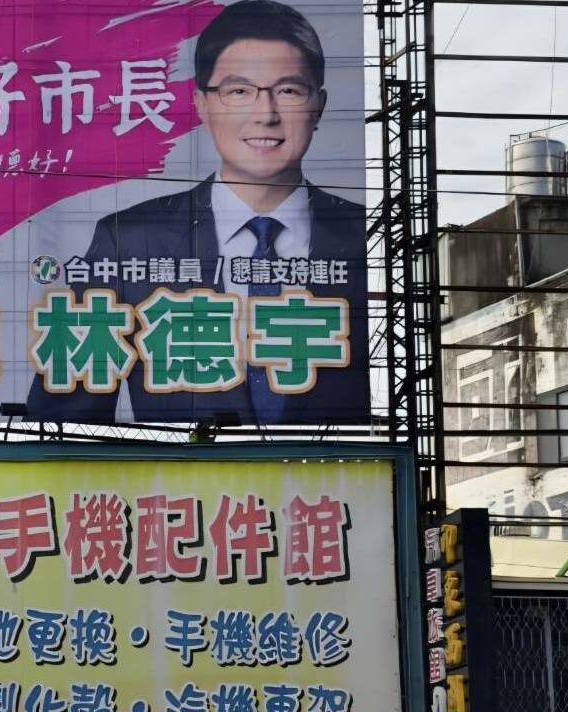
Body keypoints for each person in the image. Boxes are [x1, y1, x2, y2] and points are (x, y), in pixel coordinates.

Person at [26, 0, 367, 425]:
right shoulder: (128, 239)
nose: (266, 115)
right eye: (238, 91)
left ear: (319, 105)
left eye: (288, 91)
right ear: (202, 105)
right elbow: (65, 412)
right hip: (177, 470)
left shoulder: (367, 236)